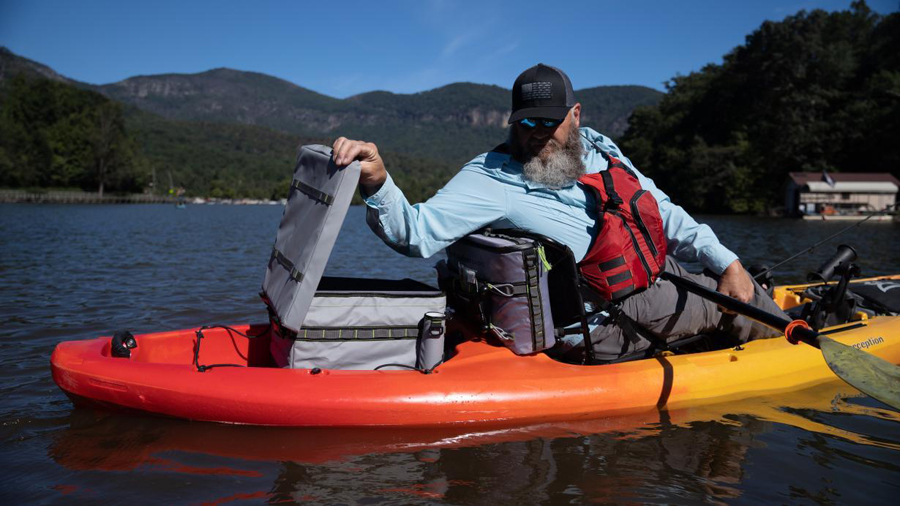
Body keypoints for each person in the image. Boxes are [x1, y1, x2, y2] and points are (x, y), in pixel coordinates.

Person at [332, 63, 788, 362]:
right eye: (526, 123)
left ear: (575, 114)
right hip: (605, 316)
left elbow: (663, 211)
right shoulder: (491, 178)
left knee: (730, 278)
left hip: (650, 270)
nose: (536, 134)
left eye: (549, 122)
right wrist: (376, 180)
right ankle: (792, 342)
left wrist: (727, 261)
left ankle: (759, 319)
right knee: (736, 304)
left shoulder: (602, 151)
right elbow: (415, 233)